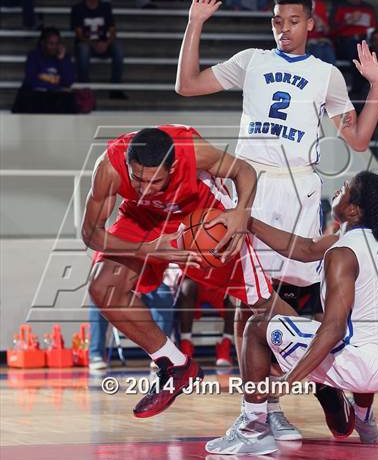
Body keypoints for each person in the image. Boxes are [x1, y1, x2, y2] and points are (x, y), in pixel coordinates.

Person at [176, 0, 378, 439]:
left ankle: (309, 385)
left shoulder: (326, 74)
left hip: (299, 189)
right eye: (276, 20)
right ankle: (266, 406)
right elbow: (187, 85)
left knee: (293, 300)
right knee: (247, 298)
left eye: (292, 21)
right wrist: (195, 23)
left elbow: (358, 140)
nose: (283, 29)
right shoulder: (251, 60)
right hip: (251, 185)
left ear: (310, 23)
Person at [206, 171, 378, 454]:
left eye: (345, 188)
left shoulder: (343, 252)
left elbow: (333, 329)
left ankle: (252, 429)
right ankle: (364, 417)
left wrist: (288, 381)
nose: (338, 190)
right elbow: (304, 249)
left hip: (368, 368)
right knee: (367, 329)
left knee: (257, 326)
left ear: (354, 209)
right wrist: (248, 221)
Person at [82, 124, 277, 418]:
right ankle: (175, 364)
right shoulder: (109, 168)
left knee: (261, 301)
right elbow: (91, 234)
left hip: (198, 215)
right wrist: (147, 248)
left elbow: (243, 170)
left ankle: (324, 373)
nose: (145, 188)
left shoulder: (192, 151)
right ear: (127, 164)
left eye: (155, 181)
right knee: (102, 288)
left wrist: (241, 212)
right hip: (142, 219)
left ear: (173, 167)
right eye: (138, 179)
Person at [89, 281, 176, 371]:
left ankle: (161, 354)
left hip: (145, 284)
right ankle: (96, 354)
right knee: (99, 293)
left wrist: (137, 287)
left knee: (163, 293)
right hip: (117, 285)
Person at [71, 0, 126, 100]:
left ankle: (115, 88)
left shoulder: (105, 7)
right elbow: (79, 34)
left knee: (118, 47)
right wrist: (94, 44)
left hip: (104, 43)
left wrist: (106, 43)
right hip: (87, 45)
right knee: (83, 49)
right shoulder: (78, 9)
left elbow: (113, 31)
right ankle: (85, 90)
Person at [12, 27, 77, 113]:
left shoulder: (64, 57)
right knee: (26, 96)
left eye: (57, 44)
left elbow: (68, 81)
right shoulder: (34, 56)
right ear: (43, 43)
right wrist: (55, 87)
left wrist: (61, 60)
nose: (54, 47)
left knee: (68, 98)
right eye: (51, 43)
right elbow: (31, 81)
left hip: (55, 97)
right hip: (38, 96)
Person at [177, 277, 235, 366]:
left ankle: (225, 346)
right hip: (197, 279)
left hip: (221, 281)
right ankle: (185, 345)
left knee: (235, 292)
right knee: (187, 287)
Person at [301, 0, 335, 65]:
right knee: (317, 51)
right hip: (306, 42)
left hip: (321, 40)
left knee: (329, 54)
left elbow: (327, 30)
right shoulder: (297, 6)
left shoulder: (320, 5)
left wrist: (321, 23)